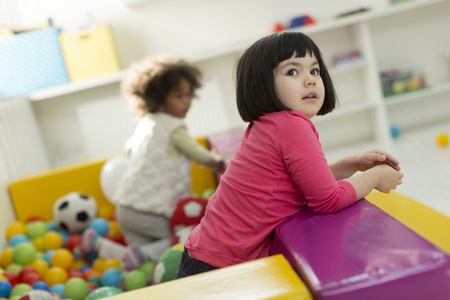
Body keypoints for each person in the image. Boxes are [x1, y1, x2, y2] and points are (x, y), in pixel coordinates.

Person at [177, 31, 404, 278]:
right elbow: (328, 201)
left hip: (204, 256)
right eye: (293, 72)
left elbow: (291, 183)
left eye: (315, 71)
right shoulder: (291, 126)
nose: (310, 80)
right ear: (263, 84)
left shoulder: (268, 124)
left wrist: (348, 165)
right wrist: (376, 177)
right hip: (220, 267)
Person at [75, 55, 225, 271]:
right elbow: (199, 154)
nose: (187, 101)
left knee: (140, 262)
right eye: (179, 95)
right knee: (181, 238)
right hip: (149, 210)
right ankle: (141, 254)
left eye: (189, 94)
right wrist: (218, 163)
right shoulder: (175, 128)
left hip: (126, 207)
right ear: (159, 99)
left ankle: (98, 245)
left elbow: (129, 151)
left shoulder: (146, 124)